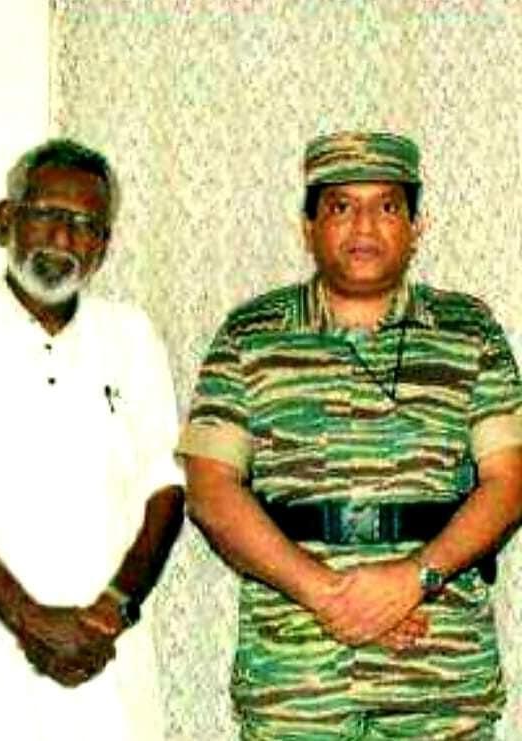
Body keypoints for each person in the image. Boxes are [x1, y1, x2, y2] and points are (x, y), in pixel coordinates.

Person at [177, 131, 522, 740]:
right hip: (296, 675)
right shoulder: (249, 335)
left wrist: (412, 579)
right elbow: (210, 490)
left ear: (416, 227)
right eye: (340, 206)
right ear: (307, 227)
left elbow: (510, 481)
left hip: (438, 677)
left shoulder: (470, 331)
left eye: (386, 206)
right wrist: (330, 596)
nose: (364, 226)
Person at [0, 139, 184, 741]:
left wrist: (113, 608)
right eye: (47, 215)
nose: (63, 238)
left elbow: (165, 491)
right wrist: (26, 619)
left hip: (107, 667)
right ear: (4, 220)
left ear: (104, 246)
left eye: (86, 225)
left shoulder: (132, 336)